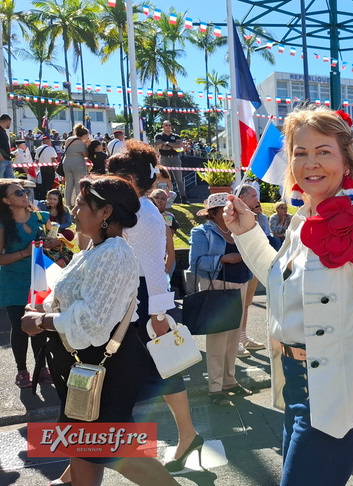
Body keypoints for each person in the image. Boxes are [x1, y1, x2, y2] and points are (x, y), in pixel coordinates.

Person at [223, 106, 353, 485]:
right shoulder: (300, 222)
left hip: (337, 393)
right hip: (295, 383)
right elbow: (281, 283)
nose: (311, 162)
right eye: (300, 152)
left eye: (323, 151)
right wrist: (246, 233)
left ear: (346, 160)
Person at [20, 176, 180, 486]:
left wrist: (42, 322)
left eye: (81, 204)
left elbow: (91, 324)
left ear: (105, 212)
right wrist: (45, 310)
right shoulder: (95, 250)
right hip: (89, 366)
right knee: (84, 445)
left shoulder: (115, 254)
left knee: (116, 453)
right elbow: (78, 304)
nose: (75, 209)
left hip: (107, 368)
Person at [106, 140, 203, 473]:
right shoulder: (139, 208)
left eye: (118, 175)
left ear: (133, 179)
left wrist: (159, 313)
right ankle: (186, 436)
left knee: (155, 370)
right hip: (137, 299)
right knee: (159, 371)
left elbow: (150, 264)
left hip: (142, 300)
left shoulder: (137, 211)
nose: (112, 181)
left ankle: (181, 438)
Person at [189, 192, 254, 406]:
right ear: (214, 213)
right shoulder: (201, 232)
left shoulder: (238, 230)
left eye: (232, 210)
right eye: (226, 210)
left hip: (239, 285)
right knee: (218, 339)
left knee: (234, 338)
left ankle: (229, 380)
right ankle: (215, 387)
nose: (231, 213)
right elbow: (195, 264)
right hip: (216, 287)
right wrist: (222, 259)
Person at [0, 181, 60, 388]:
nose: (24, 195)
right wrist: (25, 253)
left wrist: (54, 242)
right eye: (18, 193)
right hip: (13, 281)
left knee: (39, 324)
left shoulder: (39, 217)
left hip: (38, 278)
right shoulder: (2, 224)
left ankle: (41, 367)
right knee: (19, 327)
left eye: (24, 191)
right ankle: (22, 370)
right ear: (6, 201)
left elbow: (53, 238)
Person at [234, 184, 269, 353]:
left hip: (253, 266)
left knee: (246, 304)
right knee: (236, 305)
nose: (257, 199)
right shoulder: (232, 217)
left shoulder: (261, 217)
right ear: (242, 199)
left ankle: (243, 337)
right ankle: (235, 342)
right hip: (237, 267)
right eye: (253, 196)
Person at [148, 189, 178, 280]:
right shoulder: (145, 214)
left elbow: (169, 237)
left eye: (163, 198)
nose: (159, 200)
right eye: (156, 197)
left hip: (165, 255)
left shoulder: (169, 216)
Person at [154, 121, 186, 203]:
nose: (168, 126)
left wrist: (167, 144)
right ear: (163, 126)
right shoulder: (159, 136)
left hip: (175, 158)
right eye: (166, 125)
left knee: (179, 179)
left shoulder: (176, 136)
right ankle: (162, 198)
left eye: (169, 125)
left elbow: (179, 145)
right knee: (163, 178)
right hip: (164, 158)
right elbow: (159, 146)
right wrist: (173, 146)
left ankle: (183, 198)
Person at [62, 124, 90, 206]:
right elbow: (86, 154)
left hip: (66, 162)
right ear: (84, 134)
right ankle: (78, 202)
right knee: (79, 184)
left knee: (68, 184)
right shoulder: (81, 143)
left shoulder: (69, 139)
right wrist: (87, 145)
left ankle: (67, 203)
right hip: (77, 163)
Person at [34, 135, 58, 200]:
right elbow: (53, 160)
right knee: (50, 184)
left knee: (44, 183)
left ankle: (43, 197)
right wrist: (56, 169)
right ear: (48, 141)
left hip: (42, 168)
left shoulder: (38, 149)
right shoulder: (51, 149)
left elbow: (37, 160)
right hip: (50, 168)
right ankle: (49, 197)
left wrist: (36, 169)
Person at [0, 114, 12, 178]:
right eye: (10, 122)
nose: (10, 124)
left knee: (11, 180)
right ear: (7, 121)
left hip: (6, 158)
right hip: (2, 159)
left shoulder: (3, 131)